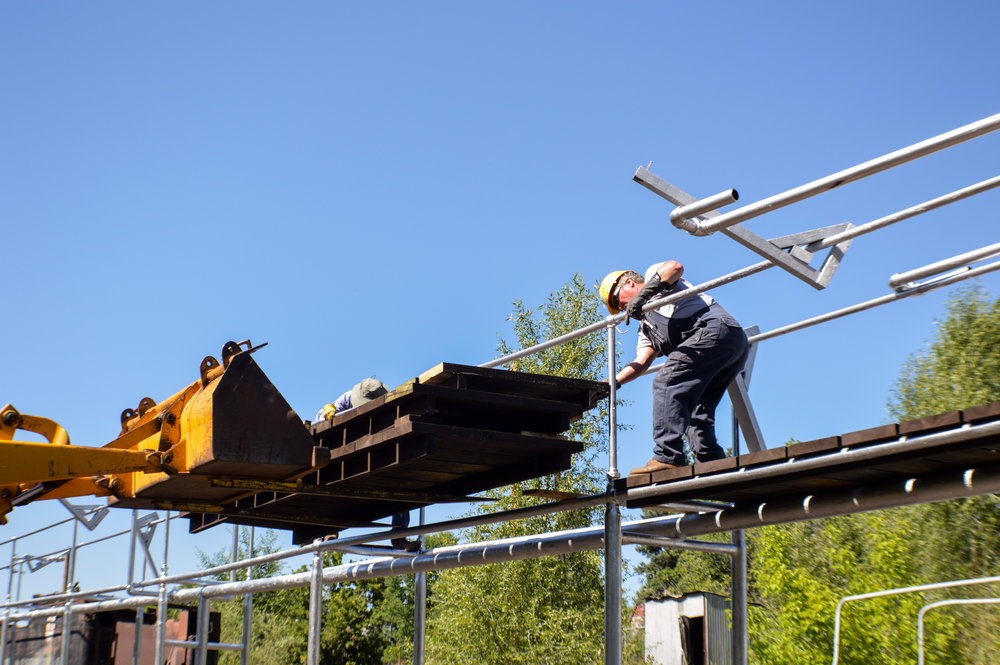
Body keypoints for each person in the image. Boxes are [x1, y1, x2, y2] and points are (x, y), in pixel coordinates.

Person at [599, 261, 748, 475]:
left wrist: (643, 297)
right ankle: (715, 466)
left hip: (715, 329)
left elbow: (675, 267)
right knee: (697, 412)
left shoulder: (655, 279)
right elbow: (641, 362)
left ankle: (667, 456)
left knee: (666, 381)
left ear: (629, 283)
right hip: (728, 345)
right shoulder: (647, 328)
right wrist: (610, 383)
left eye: (617, 302)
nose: (621, 309)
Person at [314, 378, 418, 551]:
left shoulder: (389, 404)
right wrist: (325, 416)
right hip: (347, 456)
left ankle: (399, 537)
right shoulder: (345, 400)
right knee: (331, 479)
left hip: (376, 451)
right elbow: (317, 422)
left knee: (400, 483)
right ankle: (328, 531)